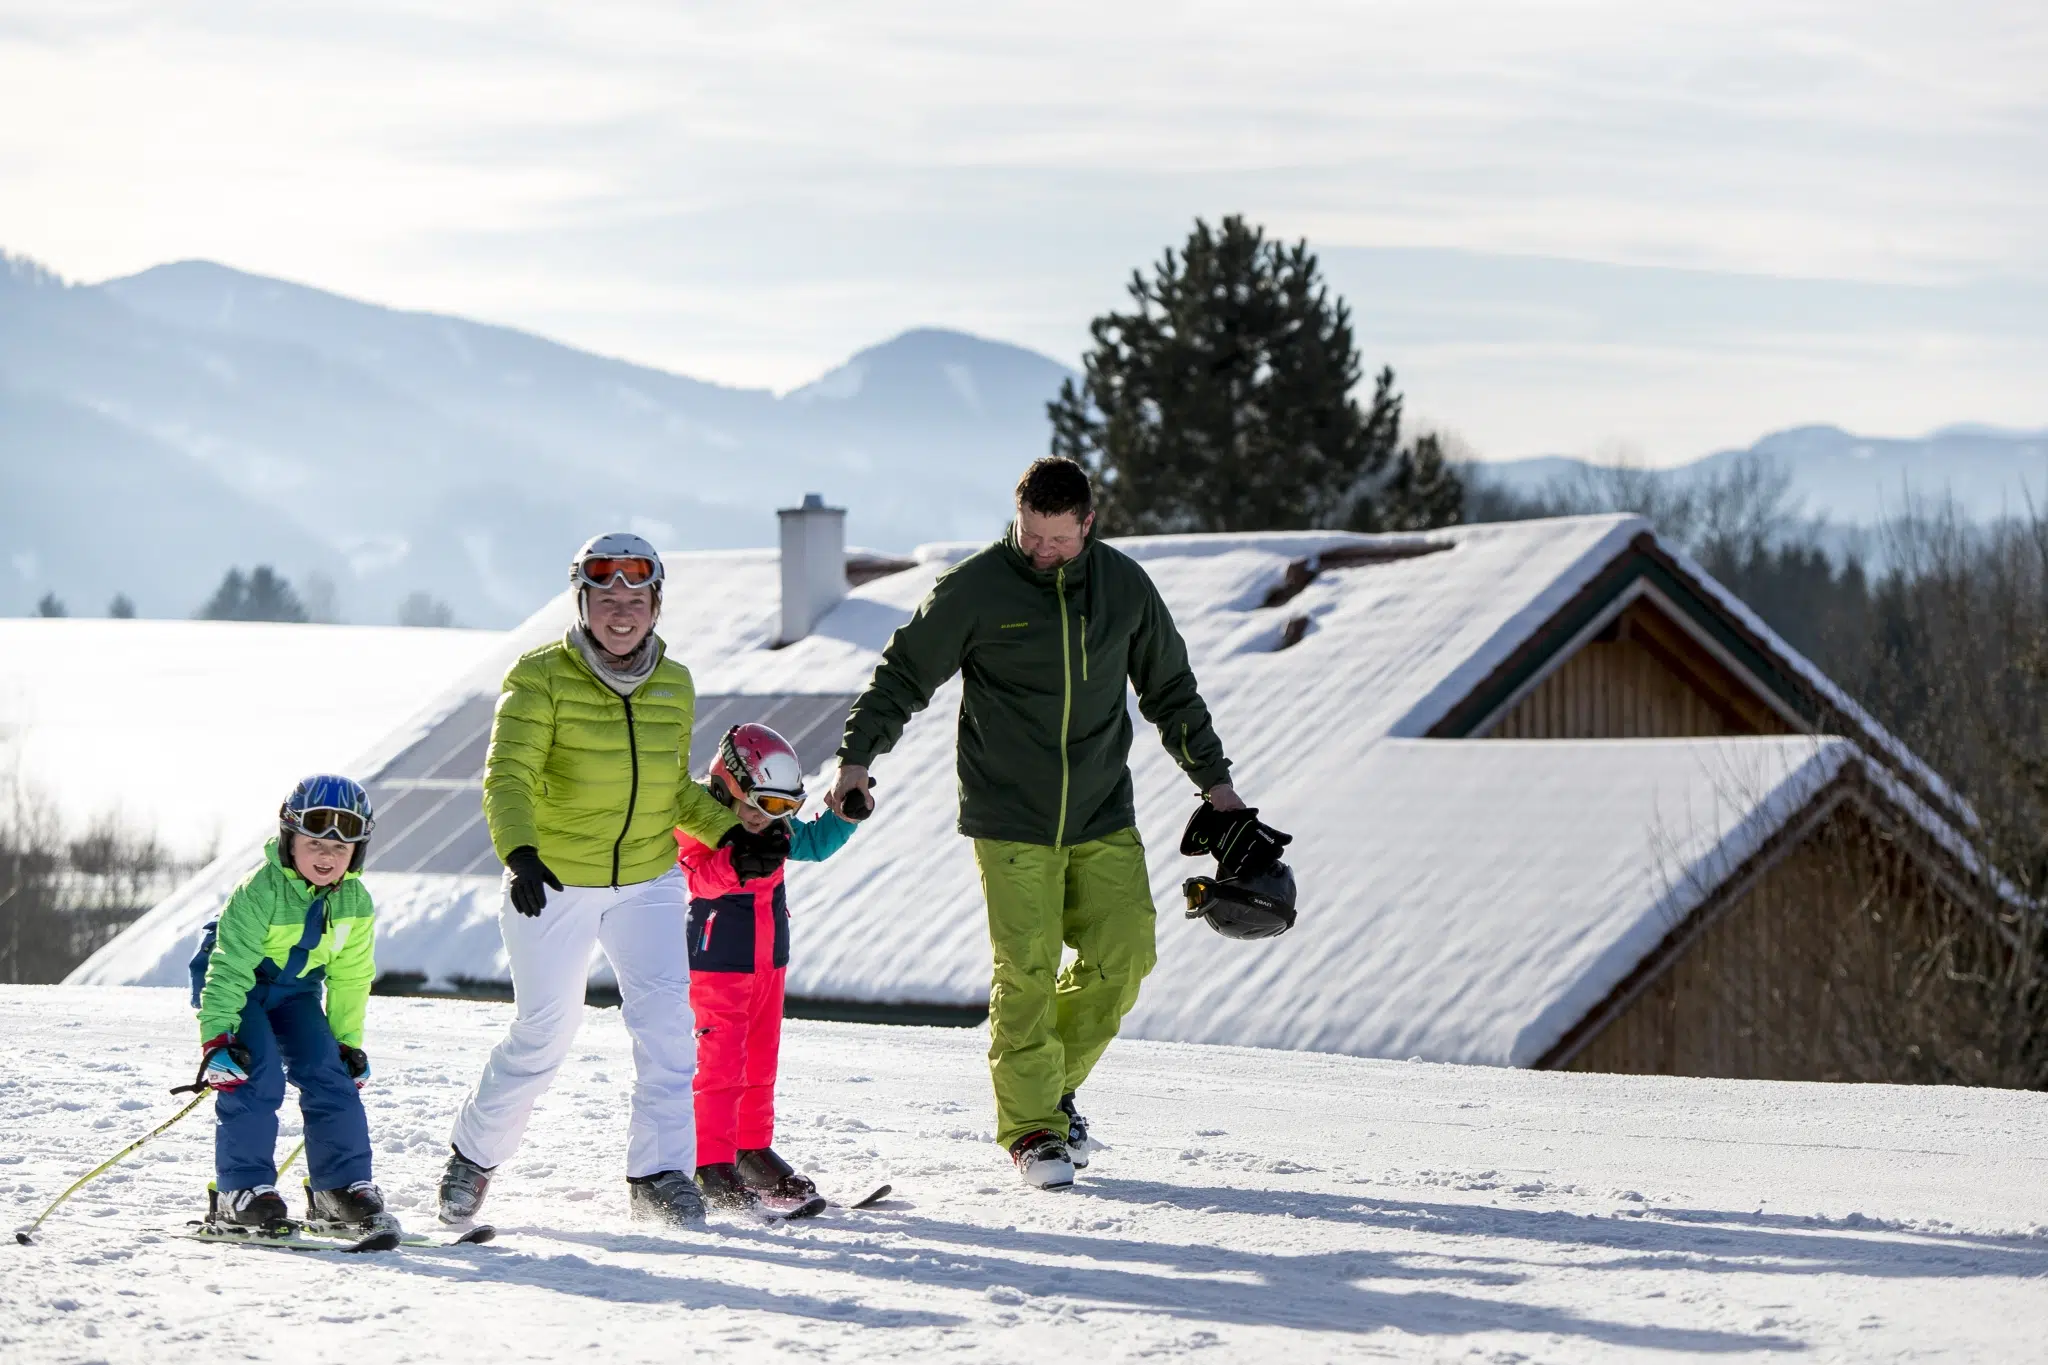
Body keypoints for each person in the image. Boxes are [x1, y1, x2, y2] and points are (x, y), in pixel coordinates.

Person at [827, 456, 1282, 1190]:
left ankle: (1051, 1090)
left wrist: (1218, 787)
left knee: (1127, 949)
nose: (1040, 550)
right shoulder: (977, 587)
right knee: (1028, 968)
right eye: (1029, 534)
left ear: (1088, 526)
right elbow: (904, 673)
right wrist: (856, 759)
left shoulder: (1124, 588)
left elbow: (1171, 691)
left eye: (1056, 539)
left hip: (1102, 807)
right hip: (1010, 814)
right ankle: (1033, 1128)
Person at [439, 532, 788, 1228]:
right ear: (582, 601)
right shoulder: (538, 676)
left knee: (666, 1024)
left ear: (656, 605)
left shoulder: (675, 682)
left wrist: (733, 831)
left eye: (636, 597)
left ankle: (658, 1174)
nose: (620, 610)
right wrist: (521, 852)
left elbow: (669, 792)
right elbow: (506, 775)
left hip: (647, 881)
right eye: (605, 596)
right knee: (545, 1032)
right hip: (554, 879)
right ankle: (472, 1157)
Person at [190, 774, 387, 1234]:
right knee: (253, 1073)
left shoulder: (356, 902)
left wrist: (346, 1045)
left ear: (356, 853)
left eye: (341, 848)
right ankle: (241, 1190)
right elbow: (229, 966)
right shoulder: (259, 890)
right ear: (289, 840)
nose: (327, 855)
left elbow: (351, 976)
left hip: (295, 993)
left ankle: (337, 1190)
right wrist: (217, 1039)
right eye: (315, 841)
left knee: (331, 1077)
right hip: (239, 986)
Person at [675, 723, 858, 1215]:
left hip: (768, 960)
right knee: (721, 1064)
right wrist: (738, 864)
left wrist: (843, 816)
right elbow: (698, 875)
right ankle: (710, 1163)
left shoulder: (773, 826)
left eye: (785, 808)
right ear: (727, 788)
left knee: (760, 1060)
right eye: (764, 805)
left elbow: (815, 844)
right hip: (717, 964)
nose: (771, 820)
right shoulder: (698, 821)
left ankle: (750, 1150)